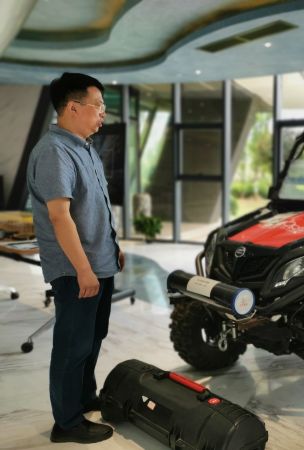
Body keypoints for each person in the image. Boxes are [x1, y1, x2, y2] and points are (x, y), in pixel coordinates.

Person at [26, 72, 124, 444]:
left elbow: (94, 206)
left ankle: (83, 398)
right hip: (76, 269)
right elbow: (59, 216)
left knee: (92, 337)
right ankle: (66, 423)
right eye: (98, 106)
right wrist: (83, 269)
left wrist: (113, 246)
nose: (102, 114)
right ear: (73, 107)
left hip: (100, 262)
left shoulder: (84, 147)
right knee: (73, 345)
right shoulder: (55, 151)